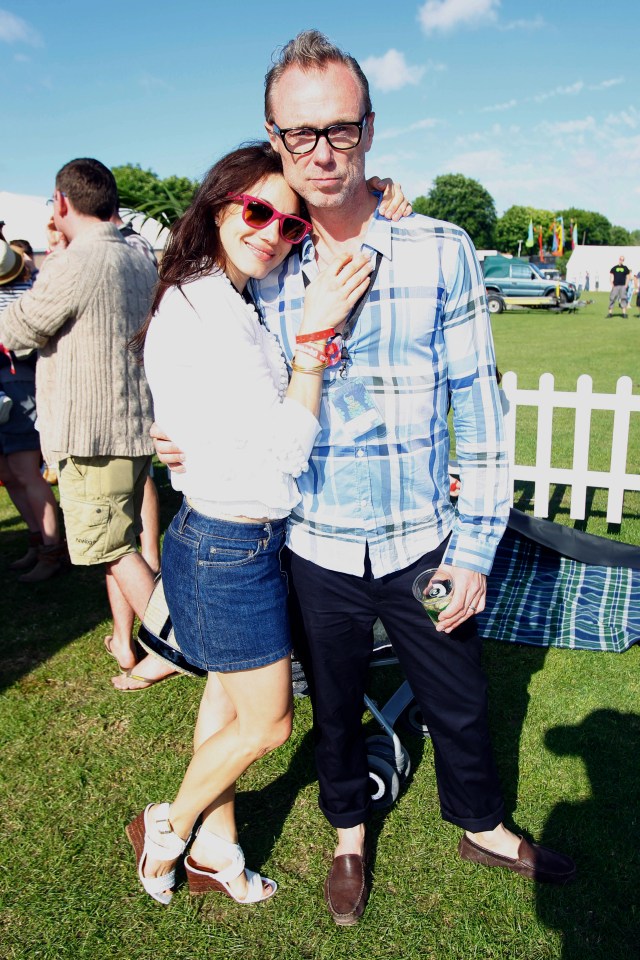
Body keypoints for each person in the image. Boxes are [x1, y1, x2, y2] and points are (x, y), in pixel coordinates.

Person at [153, 30, 575, 925]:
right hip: (309, 540)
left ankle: (484, 824)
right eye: (301, 135)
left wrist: (476, 548)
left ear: (371, 129)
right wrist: (174, 433)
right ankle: (349, 830)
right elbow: (200, 359)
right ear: (275, 139)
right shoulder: (264, 256)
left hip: (422, 537)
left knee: (460, 696)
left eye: (340, 130)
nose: (322, 152)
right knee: (333, 707)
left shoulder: (441, 248)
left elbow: (480, 408)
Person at [125, 140, 378, 906]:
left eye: (290, 224)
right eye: (257, 211)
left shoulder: (226, 297)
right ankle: (166, 827)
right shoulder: (205, 308)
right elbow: (286, 453)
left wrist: (381, 193)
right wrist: (313, 344)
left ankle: (219, 847)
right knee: (269, 724)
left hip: (237, 538)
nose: (272, 231)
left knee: (227, 704)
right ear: (219, 207)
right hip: (228, 544)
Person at [0, 158, 158, 676]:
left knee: (111, 547)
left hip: (91, 433)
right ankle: (136, 642)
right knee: (122, 541)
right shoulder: (137, 256)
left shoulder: (77, 260)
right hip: (131, 425)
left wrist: (56, 249)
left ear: (62, 203)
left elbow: (18, 331)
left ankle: (183, 648)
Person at [0, 237, 64, 581]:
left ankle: (52, 550)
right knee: (9, 474)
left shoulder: (27, 289)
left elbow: (24, 341)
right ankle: (37, 542)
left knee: (25, 471)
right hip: (7, 388)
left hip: (18, 387)